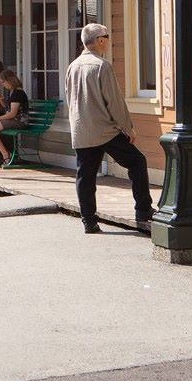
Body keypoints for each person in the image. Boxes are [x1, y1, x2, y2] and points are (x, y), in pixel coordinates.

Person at [66, 23, 154, 234]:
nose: (108, 40)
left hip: (82, 129)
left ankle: (89, 220)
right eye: (106, 36)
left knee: (85, 176)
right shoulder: (101, 66)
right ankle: (143, 211)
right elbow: (114, 101)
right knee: (137, 162)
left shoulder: (73, 66)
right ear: (99, 40)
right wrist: (128, 128)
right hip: (104, 130)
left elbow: (70, 98)